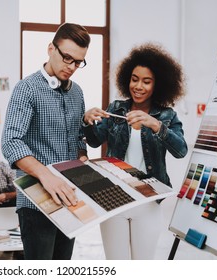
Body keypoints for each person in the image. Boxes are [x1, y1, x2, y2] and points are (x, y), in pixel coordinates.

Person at [83, 43, 188, 259]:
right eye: (134, 79)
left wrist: (155, 125)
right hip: (113, 196)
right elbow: (94, 141)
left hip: (148, 201)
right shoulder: (116, 109)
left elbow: (181, 150)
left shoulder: (166, 116)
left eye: (146, 81)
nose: (138, 86)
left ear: (158, 85)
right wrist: (87, 121)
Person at [2, 23, 91, 260]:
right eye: (67, 58)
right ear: (51, 48)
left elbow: (78, 137)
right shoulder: (27, 89)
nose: (71, 67)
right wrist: (46, 175)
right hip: (35, 202)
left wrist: (82, 156)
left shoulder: (77, 92)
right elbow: (11, 142)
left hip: (70, 199)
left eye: (78, 62)